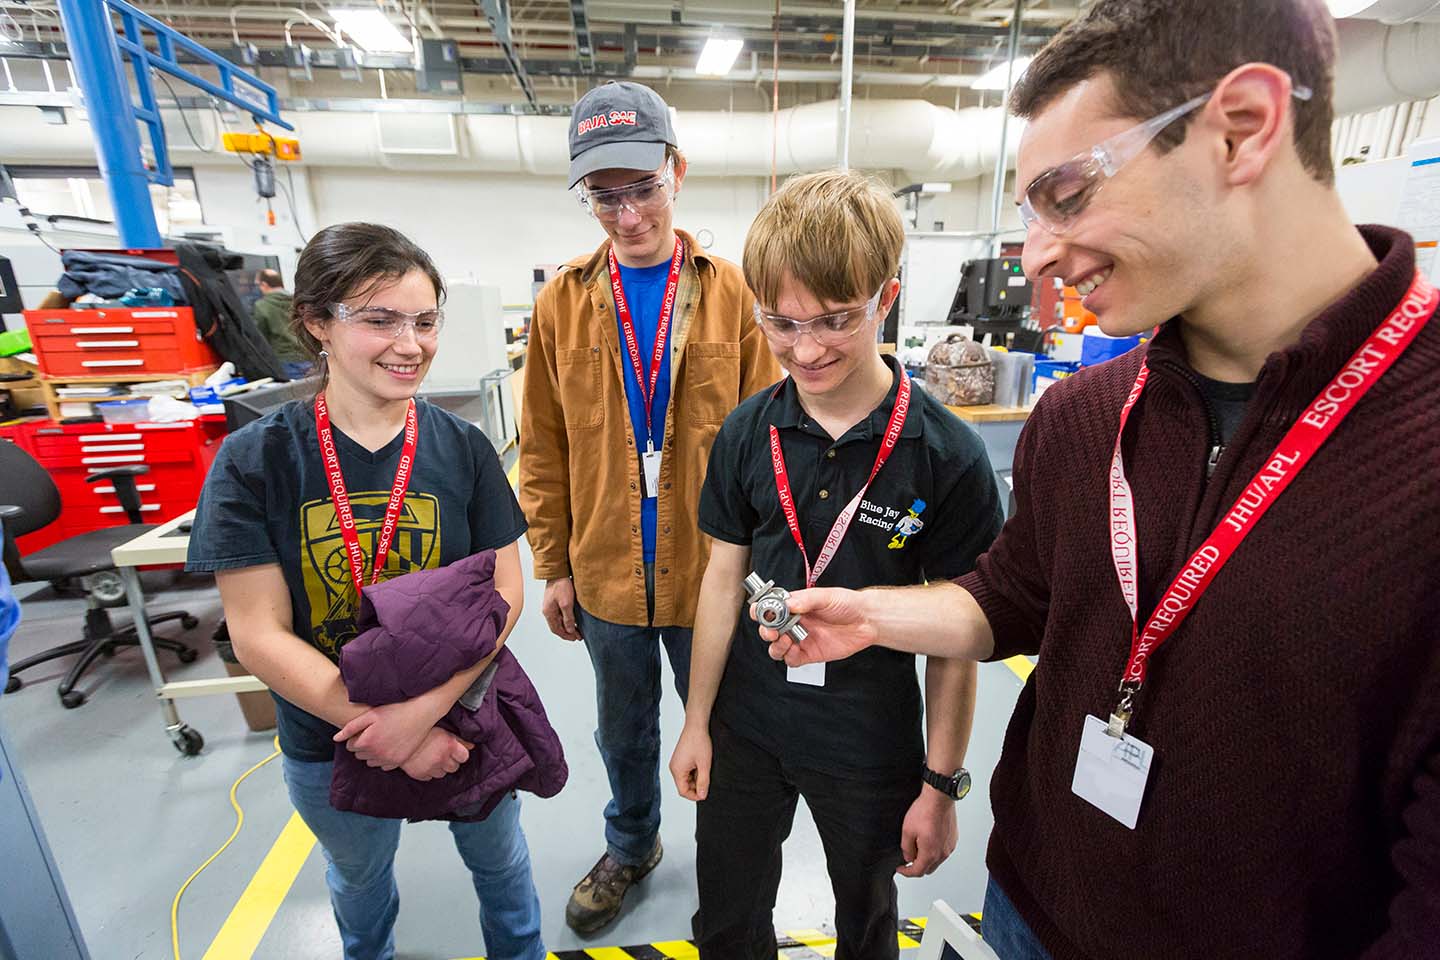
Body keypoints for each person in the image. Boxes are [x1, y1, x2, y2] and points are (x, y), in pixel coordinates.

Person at [756, 2, 1440, 958]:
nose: (1035, 252)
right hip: (1033, 906)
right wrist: (875, 616)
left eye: (1067, 194)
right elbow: (1016, 595)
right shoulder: (1084, 417)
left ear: (1241, 130)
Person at [187, 223, 546, 960]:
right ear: (317, 322)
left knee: (501, 863)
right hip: (331, 737)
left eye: (423, 321)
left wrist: (418, 717)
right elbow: (257, 633)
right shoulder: (256, 461)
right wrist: (388, 732)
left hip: (464, 714)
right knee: (359, 879)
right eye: (378, 320)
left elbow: (504, 591)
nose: (407, 343)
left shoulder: (463, 447)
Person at [669, 170, 1003, 959]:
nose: (806, 348)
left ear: (887, 296)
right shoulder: (749, 432)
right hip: (746, 720)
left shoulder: (946, 455)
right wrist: (695, 721)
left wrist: (940, 783)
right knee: (727, 914)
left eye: (835, 320)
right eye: (780, 323)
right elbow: (722, 578)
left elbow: (959, 635)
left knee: (866, 915)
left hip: (867, 728)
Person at [520, 79, 780, 934]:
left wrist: (763, 574)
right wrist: (552, 567)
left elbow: (766, 447)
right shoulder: (561, 301)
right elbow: (544, 446)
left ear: (678, 171)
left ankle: (729, 855)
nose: (627, 214)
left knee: (727, 727)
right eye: (604, 194)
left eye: (643, 188)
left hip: (711, 572)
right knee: (622, 731)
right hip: (605, 573)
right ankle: (631, 846)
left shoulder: (734, 294)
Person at [251, 268, 311, 380]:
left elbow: (261, 337)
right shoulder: (298, 301)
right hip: (308, 356)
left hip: (285, 360)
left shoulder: (262, 305)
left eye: (258, 285)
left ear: (264, 284)